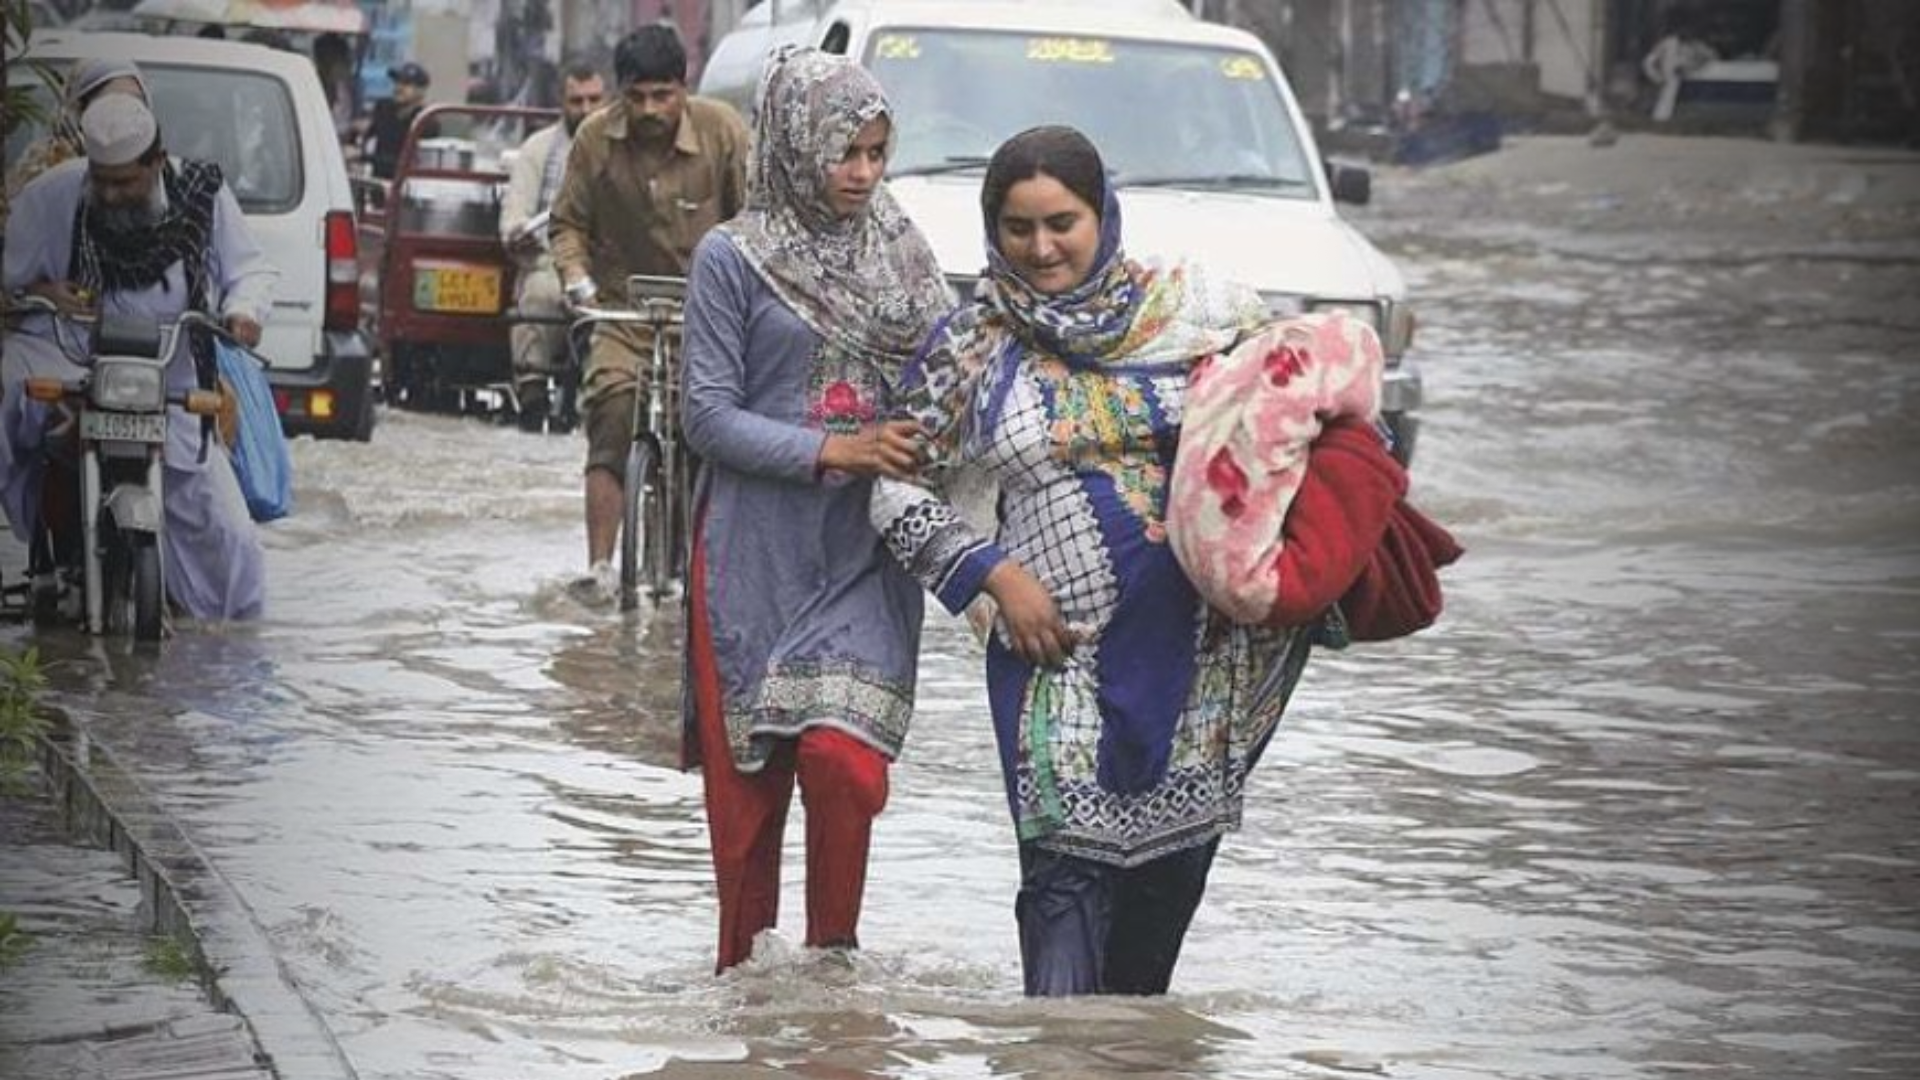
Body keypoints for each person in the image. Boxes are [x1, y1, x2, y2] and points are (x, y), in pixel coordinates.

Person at [872, 125, 1314, 996]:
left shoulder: (1200, 315)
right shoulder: (971, 349)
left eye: (1062, 223)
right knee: (1062, 890)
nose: (1041, 249)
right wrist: (992, 575)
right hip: (1052, 655)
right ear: (990, 230)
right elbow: (891, 486)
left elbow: (1306, 410)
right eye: (1017, 228)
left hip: (1202, 661)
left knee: (1157, 922)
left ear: (1103, 215)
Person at [677, 44, 953, 973]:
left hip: (863, 554)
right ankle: (750, 1007)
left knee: (846, 766)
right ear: (796, 145)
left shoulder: (904, 252)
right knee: (746, 813)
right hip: (753, 556)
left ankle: (833, 975)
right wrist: (835, 449)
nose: (863, 174)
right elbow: (706, 417)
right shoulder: (732, 258)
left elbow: (952, 375)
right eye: (847, 153)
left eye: (878, 153)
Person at [2, 93, 276, 621]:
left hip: (167, 370)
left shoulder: (203, 196)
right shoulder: (53, 195)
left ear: (156, 162)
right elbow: (12, 285)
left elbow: (251, 270)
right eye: (101, 181)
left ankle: (223, 665)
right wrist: (41, 291)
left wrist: (243, 311)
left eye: (125, 182)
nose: (110, 194)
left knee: (233, 543)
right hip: (68, 353)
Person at [549, 24, 749, 601]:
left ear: (683, 90)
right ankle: (600, 565)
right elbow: (567, 226)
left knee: (708, 427)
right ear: (620, 93)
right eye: (636, 97)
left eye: (662, 95)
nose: (649, 109)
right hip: (622, 311)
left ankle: (702, 565)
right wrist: (577, 282)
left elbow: (756, 224)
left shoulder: (724, 133)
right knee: (610, 406)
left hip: (709, 314)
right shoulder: (594, 139)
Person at [498, 64, 606, 431]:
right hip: (549, 262)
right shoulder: (537, 150)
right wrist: (519, 234)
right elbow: (515, 215)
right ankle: (531, 396)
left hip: (609, 268)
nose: (587, 109)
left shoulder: (625, 150)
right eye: (577, 101)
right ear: (562, 103)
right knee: (537, 300)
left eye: (595, 100)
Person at [6, 57, 150, 200]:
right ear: (78, 113)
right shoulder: (42, 177)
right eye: (111, 106)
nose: (125, 115)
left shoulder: (159, 174)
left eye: (135, 104)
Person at [361, 61, 439, 180]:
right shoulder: (384, 109)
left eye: (406, 84)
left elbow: (412, 161)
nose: (398, 87)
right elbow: (369, 137)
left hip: (406, 184)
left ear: (421, 90)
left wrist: (365, 157)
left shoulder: (426, 121)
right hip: (377, 179)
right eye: (397, 82)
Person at [1643, 14, 1719, 122]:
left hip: (1686, 79)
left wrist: (1693, 66)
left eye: (1689, 30)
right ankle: (1659, 118)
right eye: (1683, 29)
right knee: (1663, 100)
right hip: (1665, 79)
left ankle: (1665, 118)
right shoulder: (1667, 43)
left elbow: (1711, 57)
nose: (1686, 32)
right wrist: (1656, 76)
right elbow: (1649, 60)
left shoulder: (1695, 45)